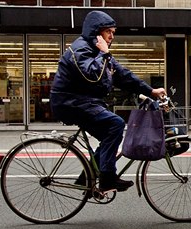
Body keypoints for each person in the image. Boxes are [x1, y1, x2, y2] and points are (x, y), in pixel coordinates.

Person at [50, 10, 166, 192]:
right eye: (108, 32)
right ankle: (107, 179)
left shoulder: (96, 51)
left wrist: (151, 91)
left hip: (84, 102)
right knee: (115, 124)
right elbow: (92, 76)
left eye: (113, 32)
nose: (112, 36)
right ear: (96, 32)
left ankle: (86, 178)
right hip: (69, 103)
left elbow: (124, 76)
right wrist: (105, 53)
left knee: (108, 137)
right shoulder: (81, 49)